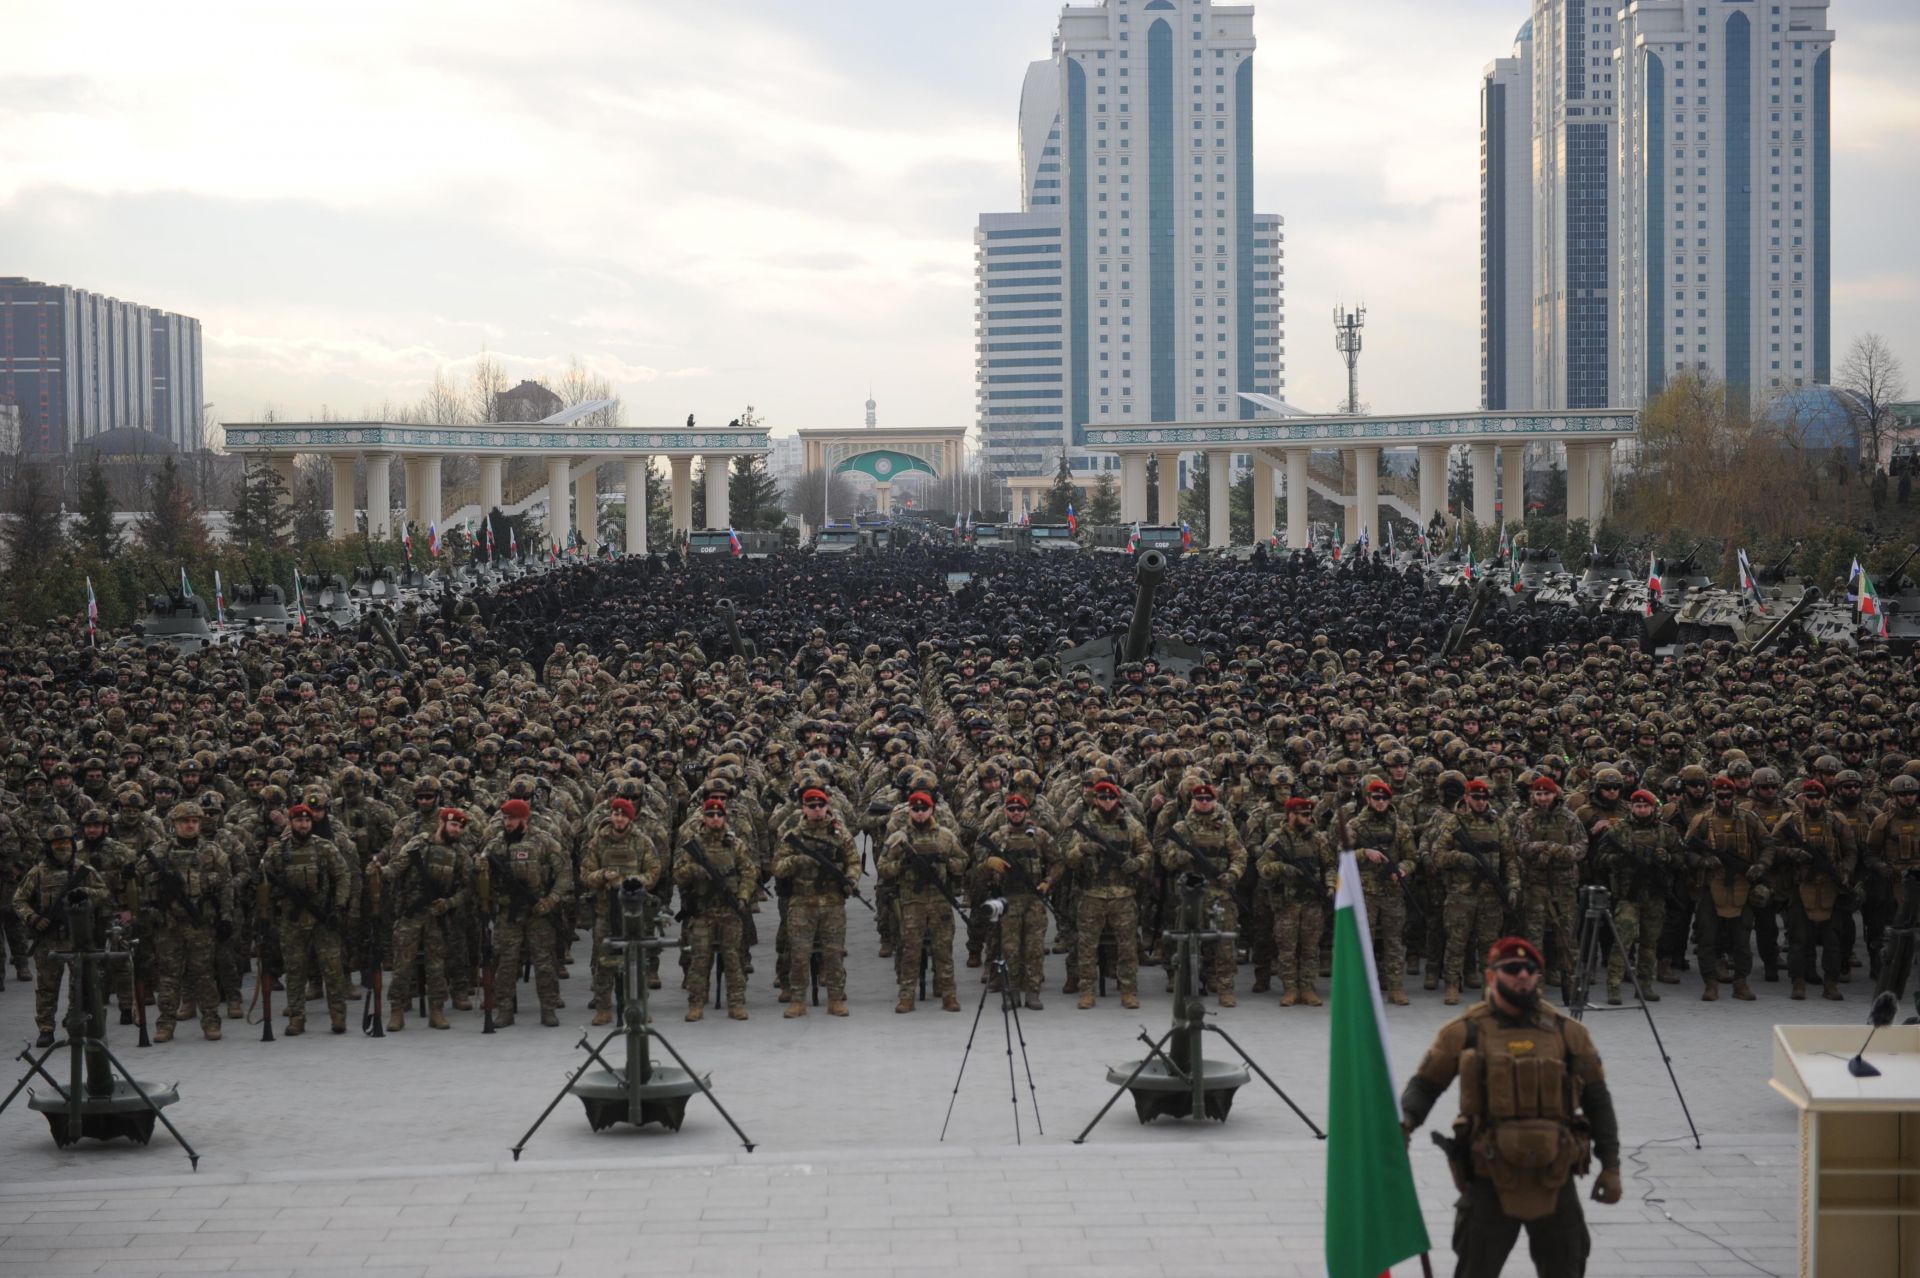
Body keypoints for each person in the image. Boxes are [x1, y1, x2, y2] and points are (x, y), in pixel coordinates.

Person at [1400, 936, 1622, 1278]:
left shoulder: (1569, 1034)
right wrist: (1404, 1124)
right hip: (1489, 1177)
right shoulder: (1465, 1031)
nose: (1522, 975)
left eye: (1530, 969)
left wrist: (1611, 1165)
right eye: (1512, 968)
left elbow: (1597, 1101)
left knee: (1567, 1266)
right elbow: (1426, 1085)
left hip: (1555, 1176)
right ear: (1491, 976)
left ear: (1538, 976)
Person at [134, 801, 232, 1043]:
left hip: (201, 924)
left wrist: (226, 917)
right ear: (174, 824)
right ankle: (165, 1023)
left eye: (194, 821)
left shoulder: (212, 851)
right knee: (168, 976)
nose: (190, 825)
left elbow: (225, 887)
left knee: (204, 975)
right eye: (185, 821)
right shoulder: (160, 851)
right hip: (169, 925)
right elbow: (137, 875)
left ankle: (210, 1021)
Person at [12, 825, 111, 1048]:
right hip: (48, 940)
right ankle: (46, 1028)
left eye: (66, 843)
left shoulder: (82, 870)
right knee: (47, 986)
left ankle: (74, 1022)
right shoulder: (38, 872)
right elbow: (18, 900)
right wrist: (34, 918)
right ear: (49, 847)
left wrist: (85, 893)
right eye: (57, 844)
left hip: (77, 937)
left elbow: (103, 892)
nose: (62, 847)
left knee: (80, 983)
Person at [259, 802, 354, 1035]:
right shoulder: (278, 852)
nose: (304, 825)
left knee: (332, 970)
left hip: (323, 918)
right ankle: (296, 1018)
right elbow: (263, 883)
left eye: (307, 821)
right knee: (295, 971)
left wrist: (339, 905)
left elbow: (342, 875)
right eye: (299, 821)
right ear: (290, 823)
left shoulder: (325, 848)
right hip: (292, 920)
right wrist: (267, 913)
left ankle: (338, 1016)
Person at [479, 797, 571, 1028]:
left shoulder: (544, 842)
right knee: (505, 962)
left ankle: (548, 1008)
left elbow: (565, 873)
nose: (507, 823)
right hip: (508, 912)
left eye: (512, 818)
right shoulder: (496, 845)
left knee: (544, 961)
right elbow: (481, 877)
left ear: (524, 819)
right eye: (505, 818)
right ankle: (504, 1010)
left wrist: (550, 901)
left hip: (538, 911)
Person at [379, 806, 472, 1031]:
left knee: (436, 966)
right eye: (453, 825)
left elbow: (468, 889)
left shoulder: (460, 854)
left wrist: (448, 904)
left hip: (437, 917)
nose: (456, 830)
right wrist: (379, 871)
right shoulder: (418, 844)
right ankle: (397, 1010)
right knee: (402, 964)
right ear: (442, 823)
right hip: (410, 914)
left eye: (460, 827)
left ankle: (437, 1011)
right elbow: (396, 868)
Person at [772, 786, 860, 1017]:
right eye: (812, 806)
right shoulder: (793, 836)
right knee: (799, 954)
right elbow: (778, 867)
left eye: (821, 805)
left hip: (832, 903)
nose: (817, 810)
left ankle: (835, 998)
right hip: (802, 902)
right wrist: (800, 860)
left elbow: (853, 861)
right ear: (804, 808)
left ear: (827, 807)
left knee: (833, 954)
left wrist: (850, 879)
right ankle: (798, 999)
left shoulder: (839, 834)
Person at [1064, 778, 1151, 1010]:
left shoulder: (1131, 825)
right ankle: (1087, 991)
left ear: (1117, 799)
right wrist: (1082, 849)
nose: (1107, 801)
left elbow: (1146, 851)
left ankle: (1129, 991)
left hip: (1122, 895)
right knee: (1087, 946)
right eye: (1102, 797)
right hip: (1092, 894)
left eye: (1111, 797)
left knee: (1127, 947)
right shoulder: (1085, 825)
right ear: (1096, 800)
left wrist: (1137, 863)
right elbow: (1069, 859)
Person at [879, 789, 966, 1014]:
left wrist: (944, 863)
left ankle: (949, 994)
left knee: (943, 950)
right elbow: (883, 867)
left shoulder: (945, 836)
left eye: (923, 809)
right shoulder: (899, 838)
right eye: (915, 809)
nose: (919, 813)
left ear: (932, 810)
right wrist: (902, 865)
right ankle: (906, 996)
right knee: (910, 951)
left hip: (939, 901)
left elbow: (962, 862)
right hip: (912, 901)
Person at [675, 795, 757, 1022]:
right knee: (700, 960)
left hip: (729, 912)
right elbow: (678, 875)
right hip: (702, 912)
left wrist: (742, 897)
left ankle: (736, 1003)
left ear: (724, 817)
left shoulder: (735, 844)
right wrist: (695, 871)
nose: (714, 819)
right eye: (710, 815)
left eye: (718, 814)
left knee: (733, 959)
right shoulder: (694, 845)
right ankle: (696, 1004)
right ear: (703, 817)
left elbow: (749, 873)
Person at [578, 796, 659, 1025]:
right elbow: (585, 873)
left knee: (636, 961)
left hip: (633, 911)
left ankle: (639, 1006)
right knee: (604, 960)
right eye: (615, 813)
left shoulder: (642, 841)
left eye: (623, 814)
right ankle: (603, 1007)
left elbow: (654, 870)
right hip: (605, 910)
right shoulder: (598, 841)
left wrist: (632, 881)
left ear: (630, 818)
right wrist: (602, 875)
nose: (619, 818)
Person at [977, 791, 1059, 1010]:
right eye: (1011, 809)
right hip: (1008, 900)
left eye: (1019, 809)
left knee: (1034, 948)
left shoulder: (1039, 836)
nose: (1015, 813)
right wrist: (988, 864)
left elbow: (1058, 862)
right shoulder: (997, 838)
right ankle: (1012, 992)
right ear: (1005, 812)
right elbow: (976, 872)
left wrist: (1048, 881)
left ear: (1026, 812)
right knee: (1010, 949)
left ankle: (1032, 993)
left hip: (1034, 899)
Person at [1256, 795, 1334, 1007]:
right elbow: (1262, 867)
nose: (1309, 818)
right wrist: (1283, 868)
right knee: (1287, 948)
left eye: (1310, 814)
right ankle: (1290, 988)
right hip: (1287, 903)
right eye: (1304, 814)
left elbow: (1330, 866)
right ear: (1291, 815)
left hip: (1312, 902)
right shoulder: (1276, 839)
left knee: (1310, 947)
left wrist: (1330, 886)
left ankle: (1307, 987)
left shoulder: (1319, 840)